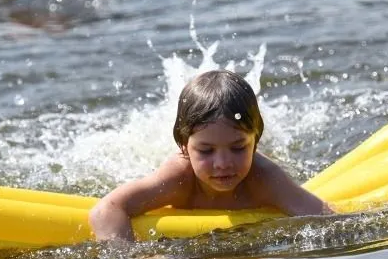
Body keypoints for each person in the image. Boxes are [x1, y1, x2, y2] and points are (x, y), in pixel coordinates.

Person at [89, 70, 332, 241]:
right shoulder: (178, 178)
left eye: (238, 148)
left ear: (255, 142)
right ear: (184, 146)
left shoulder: (265, 178)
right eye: (206, 151)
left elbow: (327, 219)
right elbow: (107, 210)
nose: (223, 164)